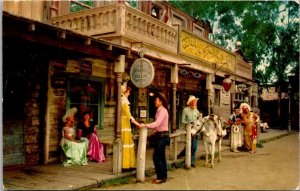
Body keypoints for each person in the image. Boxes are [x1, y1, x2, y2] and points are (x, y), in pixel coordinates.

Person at [139, 92, 169, 184]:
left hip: (162, 136)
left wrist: (145, 125)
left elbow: (157, 123)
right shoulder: (159, 110)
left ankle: (160, 177)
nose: (155, 102)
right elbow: (160, 125)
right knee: (161, 157)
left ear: (161, 101)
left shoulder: (162, 111)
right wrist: (154, 131)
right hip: (161, 134)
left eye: (156, 100)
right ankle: (164, 176)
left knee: (156, 157)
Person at [177, 95, 202, 167]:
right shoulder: (185, 110)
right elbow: (182, 120)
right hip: (188, 130)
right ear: (190, 102)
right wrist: (189, 123)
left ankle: (192, 162)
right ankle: (184, 157)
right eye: (194, 102)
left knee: (194, 146)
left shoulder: (197, 111)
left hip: (195, 130)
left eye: (195, 102)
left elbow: (198, 120)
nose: (195, 103)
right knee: (189, 145)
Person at [120, 83, 140, 171]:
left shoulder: (123, 100)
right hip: (124, 123)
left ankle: (129, 164)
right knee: (126, 143)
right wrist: (137, 123)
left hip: (125, 123)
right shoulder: (124, 101)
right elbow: (128, 115)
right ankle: (125, 165)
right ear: (124, 92)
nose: (129, 94)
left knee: (128, 143)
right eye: (128, 92)